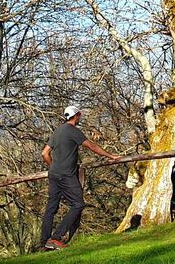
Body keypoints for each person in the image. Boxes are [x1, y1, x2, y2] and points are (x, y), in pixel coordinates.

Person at [40, 105, 119, 250]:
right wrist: (111, 156)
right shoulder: (73, 131)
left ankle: (44, 243)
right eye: (79, 115)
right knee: (78, 204)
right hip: (66, 175)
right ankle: (55, 238)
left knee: (51, 208)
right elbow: (92, 146)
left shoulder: (58, 131)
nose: (79, 118)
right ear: (77, 115)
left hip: (54, 174)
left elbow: (45, 153)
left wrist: (54, 167)